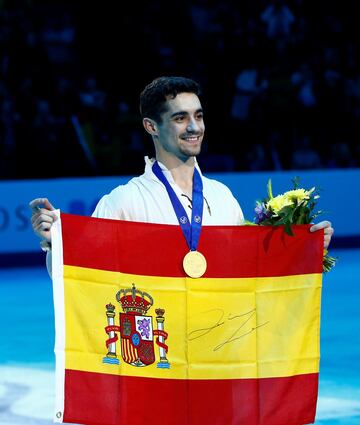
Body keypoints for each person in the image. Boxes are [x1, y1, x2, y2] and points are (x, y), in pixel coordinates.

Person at [29, 76, 334, 274]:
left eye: (198, 116)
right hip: (159, 358)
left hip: (216, 351)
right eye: (180, 118)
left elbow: (247, 270)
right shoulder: (124, 200)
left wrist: (304, 251)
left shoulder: (221, 197)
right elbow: (83, 274)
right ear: (151, 126)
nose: (194, 127)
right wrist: (54, 245)